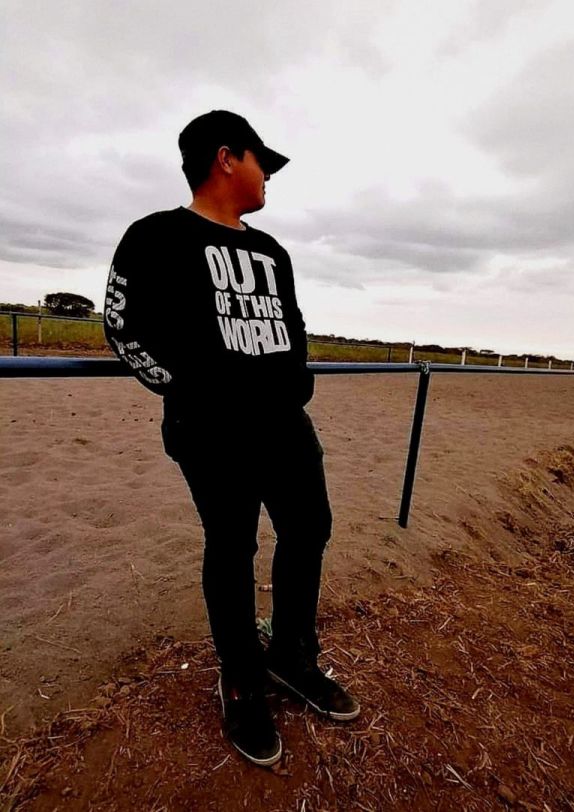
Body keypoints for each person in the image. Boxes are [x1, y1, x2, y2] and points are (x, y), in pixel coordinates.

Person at [103, 110, 360, 767]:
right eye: (260, 161)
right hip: (210, 431)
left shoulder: (272, 251)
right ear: (225, 158)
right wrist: (184, 390)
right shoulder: (155, 236)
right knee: (232, 546)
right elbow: (122, 327)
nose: (267, 175)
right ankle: (242, 679)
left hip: (285, 425)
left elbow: (292, 328)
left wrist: (294, 385)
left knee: (309, 529)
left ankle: (292, 657)